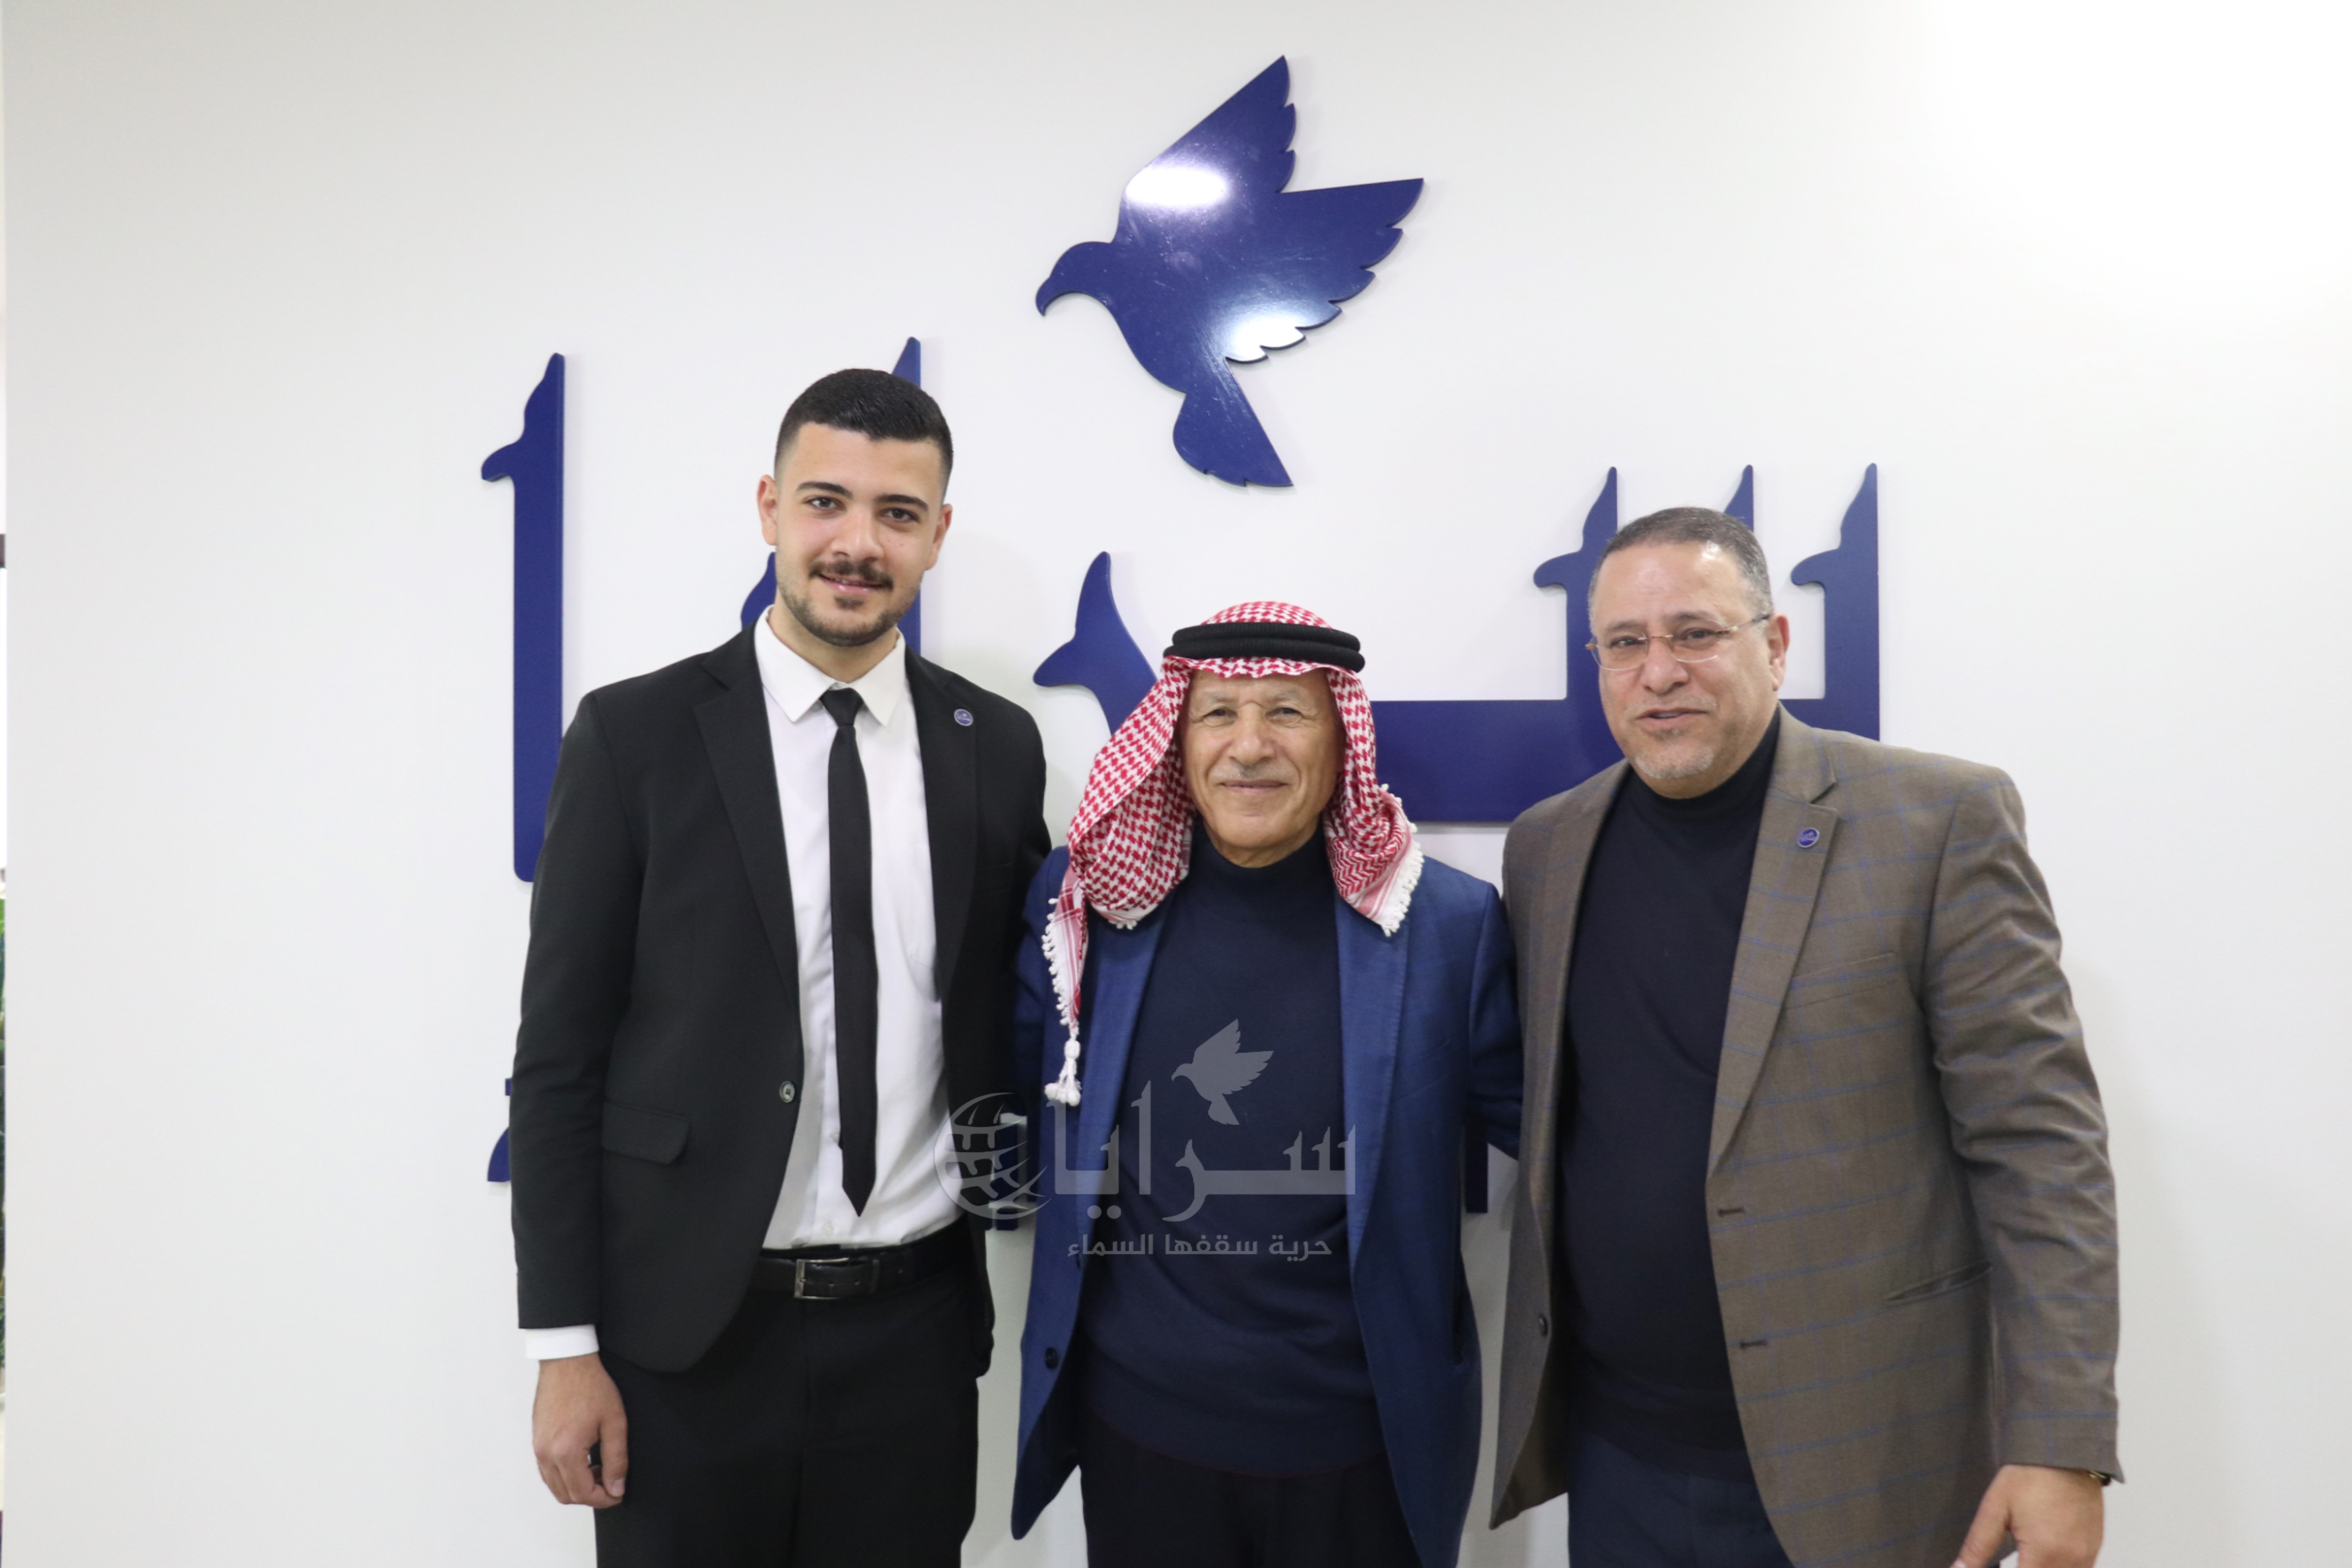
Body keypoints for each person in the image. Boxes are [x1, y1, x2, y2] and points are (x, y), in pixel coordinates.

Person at [1488, 508, 2118, 1568]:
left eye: (1696, 633)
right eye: (1626, 643)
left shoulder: (1935, 820)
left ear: (1776, 645)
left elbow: (2041, 1152)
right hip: (1619, 1457)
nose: (1659, 672)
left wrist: (2061, 1440)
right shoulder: (1548, 848)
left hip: (1862, 1457)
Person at [507, 368, 1049, 1566]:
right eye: (825, 502)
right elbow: (558, 1063)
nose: (858, 544)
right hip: (686, 1344)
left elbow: (1010, 1009)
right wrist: (563, 1347)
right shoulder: (636, 737)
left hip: (915, 1339)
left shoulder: (996, 747)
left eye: (898, 514)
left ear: (937, 534)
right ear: (769, 509)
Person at [1005, 603, 1522, 1568]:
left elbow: (1554, 1132)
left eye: (1287, 712)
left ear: (1342, 740)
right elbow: (1025, 1095)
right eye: (1217, 714)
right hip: (1141, 1434)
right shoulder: (1092, 904)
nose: (1249, 746)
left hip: (1362, 1444)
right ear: (1174, 740)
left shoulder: (1449, 927)